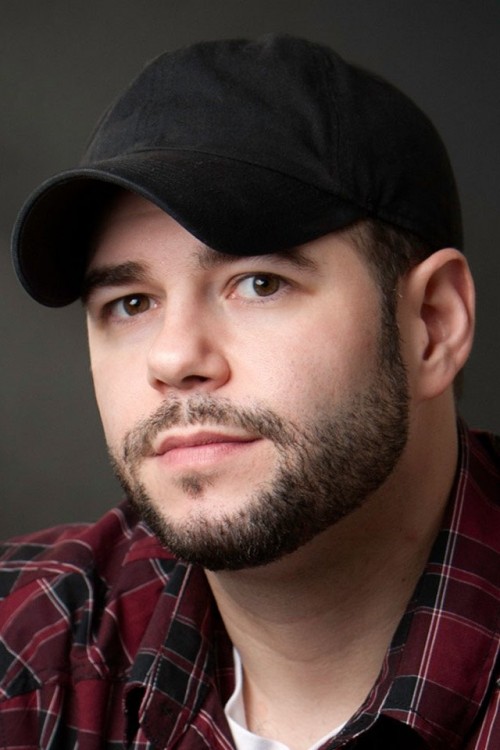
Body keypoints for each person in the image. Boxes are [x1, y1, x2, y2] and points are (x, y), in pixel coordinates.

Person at [2, 33, 498, 750]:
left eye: (259, 284)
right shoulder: (27, 643)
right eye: (131, 303)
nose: (174, 358)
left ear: (433, 324)